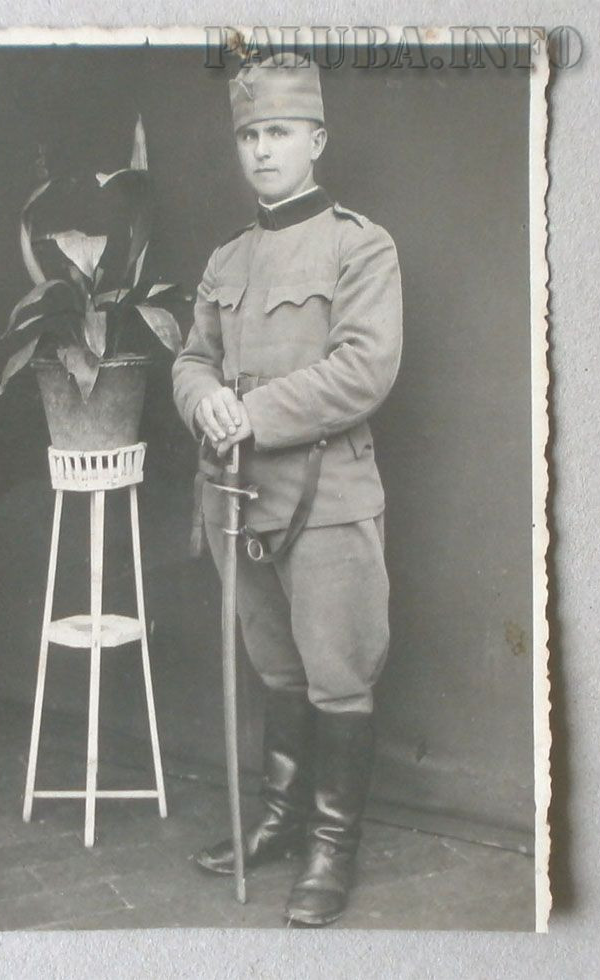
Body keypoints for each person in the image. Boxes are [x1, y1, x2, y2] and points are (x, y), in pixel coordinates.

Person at [171, 52, 403, 927]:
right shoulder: (227, 257)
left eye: (279, 132)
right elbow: (191, 358)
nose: (263, 150)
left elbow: (364, 369)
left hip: (329, 498)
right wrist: (203, 399)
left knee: (338, 675)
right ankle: (281, 818)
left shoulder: (360, 245)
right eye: (250, 136)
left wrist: (251, 413)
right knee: (277, 670)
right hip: (238, 499)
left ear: (317, 140)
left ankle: (331, 848)